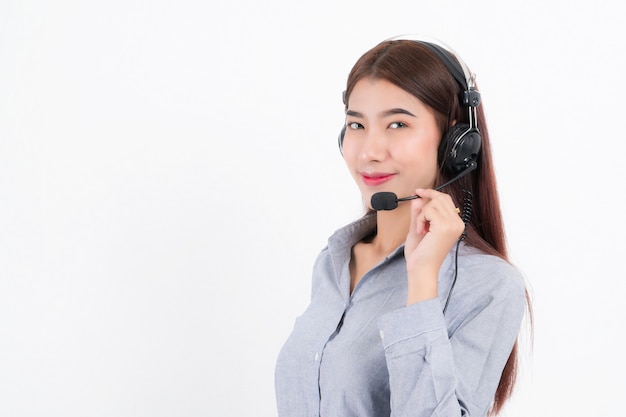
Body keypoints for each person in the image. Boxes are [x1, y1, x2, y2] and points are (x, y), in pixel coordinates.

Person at [274, 35, 531, 417]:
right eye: (356, 125)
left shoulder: (489, 285)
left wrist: (422, 280)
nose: (369, 151)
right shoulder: (333, 262)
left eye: (397, 124)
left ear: (457, 143)